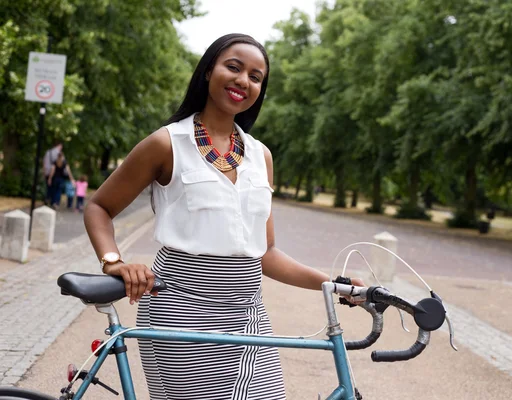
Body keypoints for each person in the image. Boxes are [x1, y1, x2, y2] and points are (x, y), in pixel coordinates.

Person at [83, 33, 364, 400]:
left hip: (249, 314)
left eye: (256, 76)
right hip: (181, 313)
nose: (243, 81)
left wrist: (334, 283)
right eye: (233, 67)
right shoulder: (167, 143)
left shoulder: (261, 156)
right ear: (208, 71)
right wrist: (113, 261)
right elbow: (99, 207)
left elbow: (266, 253)